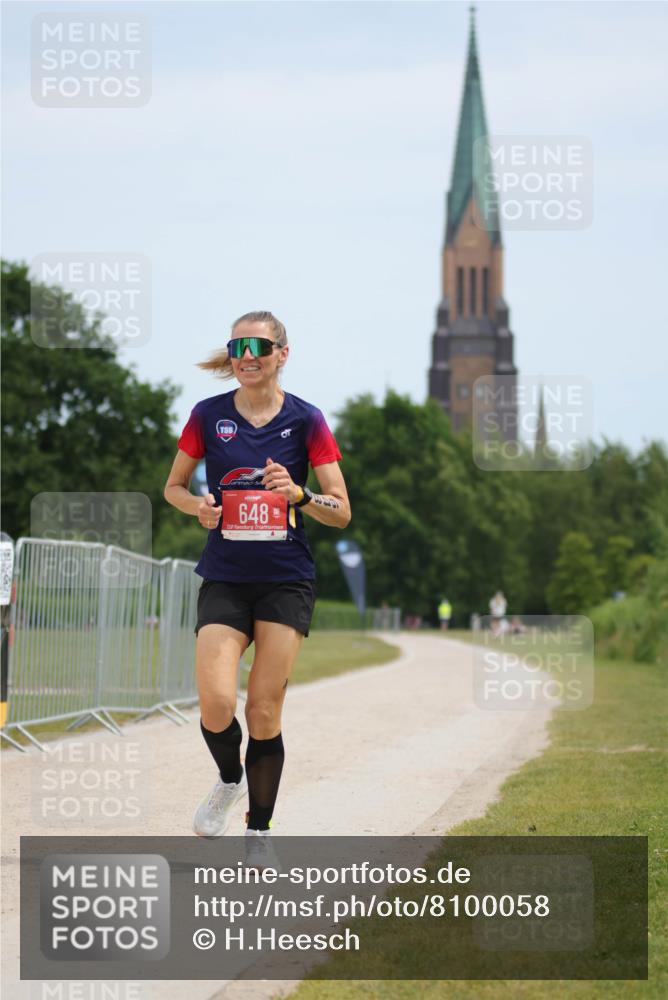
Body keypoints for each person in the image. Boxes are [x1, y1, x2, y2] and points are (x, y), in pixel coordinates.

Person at [163, 311, 351, 868]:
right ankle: (229, 779)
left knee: (264, 709)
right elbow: (173, 487)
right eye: (238, 346)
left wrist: (299, 495)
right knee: (217, 704)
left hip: (286, 579)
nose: (247, 356)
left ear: (282, 354)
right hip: (225, 574)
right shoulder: (208, 415)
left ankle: (259, 832)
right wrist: (196, 507)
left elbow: (341, 510)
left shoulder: (307, 420)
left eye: (260, 347)